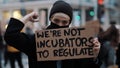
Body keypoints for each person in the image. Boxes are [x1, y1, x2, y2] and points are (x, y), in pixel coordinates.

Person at [4, 1, 101, 68]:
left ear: (69, 23)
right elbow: (10, 36)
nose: (59, 25)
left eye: (64, 22)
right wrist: (28, 17)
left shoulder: (75, 42)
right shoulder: (38, 41)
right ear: (50, 19)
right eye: (56, 20)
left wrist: (94, 55)